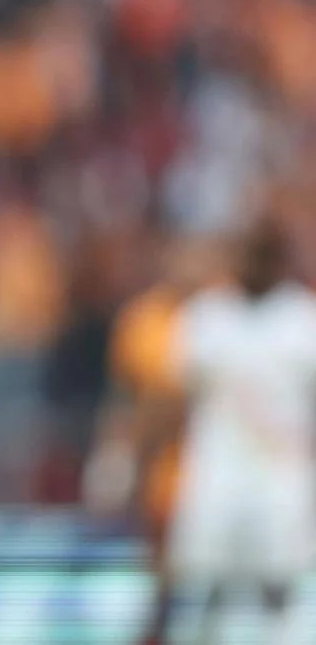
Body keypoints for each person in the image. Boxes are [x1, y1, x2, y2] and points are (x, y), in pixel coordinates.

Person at [167, 216, 316, 644]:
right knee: (205, 586)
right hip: (217, 474)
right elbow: (174, 399)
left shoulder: (304, 319)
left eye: (264, 255)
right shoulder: (206, 317)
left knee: (280, 587)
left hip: (282, 475)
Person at [83, 236, 212, 645]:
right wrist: (112, 455)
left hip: (214, 471)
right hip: (162, 471)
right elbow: (124, 396)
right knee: (161, 581)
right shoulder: (144, 319)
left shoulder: (221, 318)